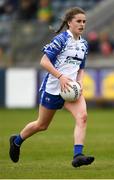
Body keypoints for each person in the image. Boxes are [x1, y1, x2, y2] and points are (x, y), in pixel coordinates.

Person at [9, 7, 95, 168]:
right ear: (69, 23)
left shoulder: (83, 44)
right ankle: (16, 141)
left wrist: (80, 82)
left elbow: (81, 67)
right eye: (78, 21)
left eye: (84, 21)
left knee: (82, 117)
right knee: (42, 125)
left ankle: (78, 155)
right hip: (54, 88)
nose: (82, 24)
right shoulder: (61, 40)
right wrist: (60, 77)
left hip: (72, 90)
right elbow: (44, 61)